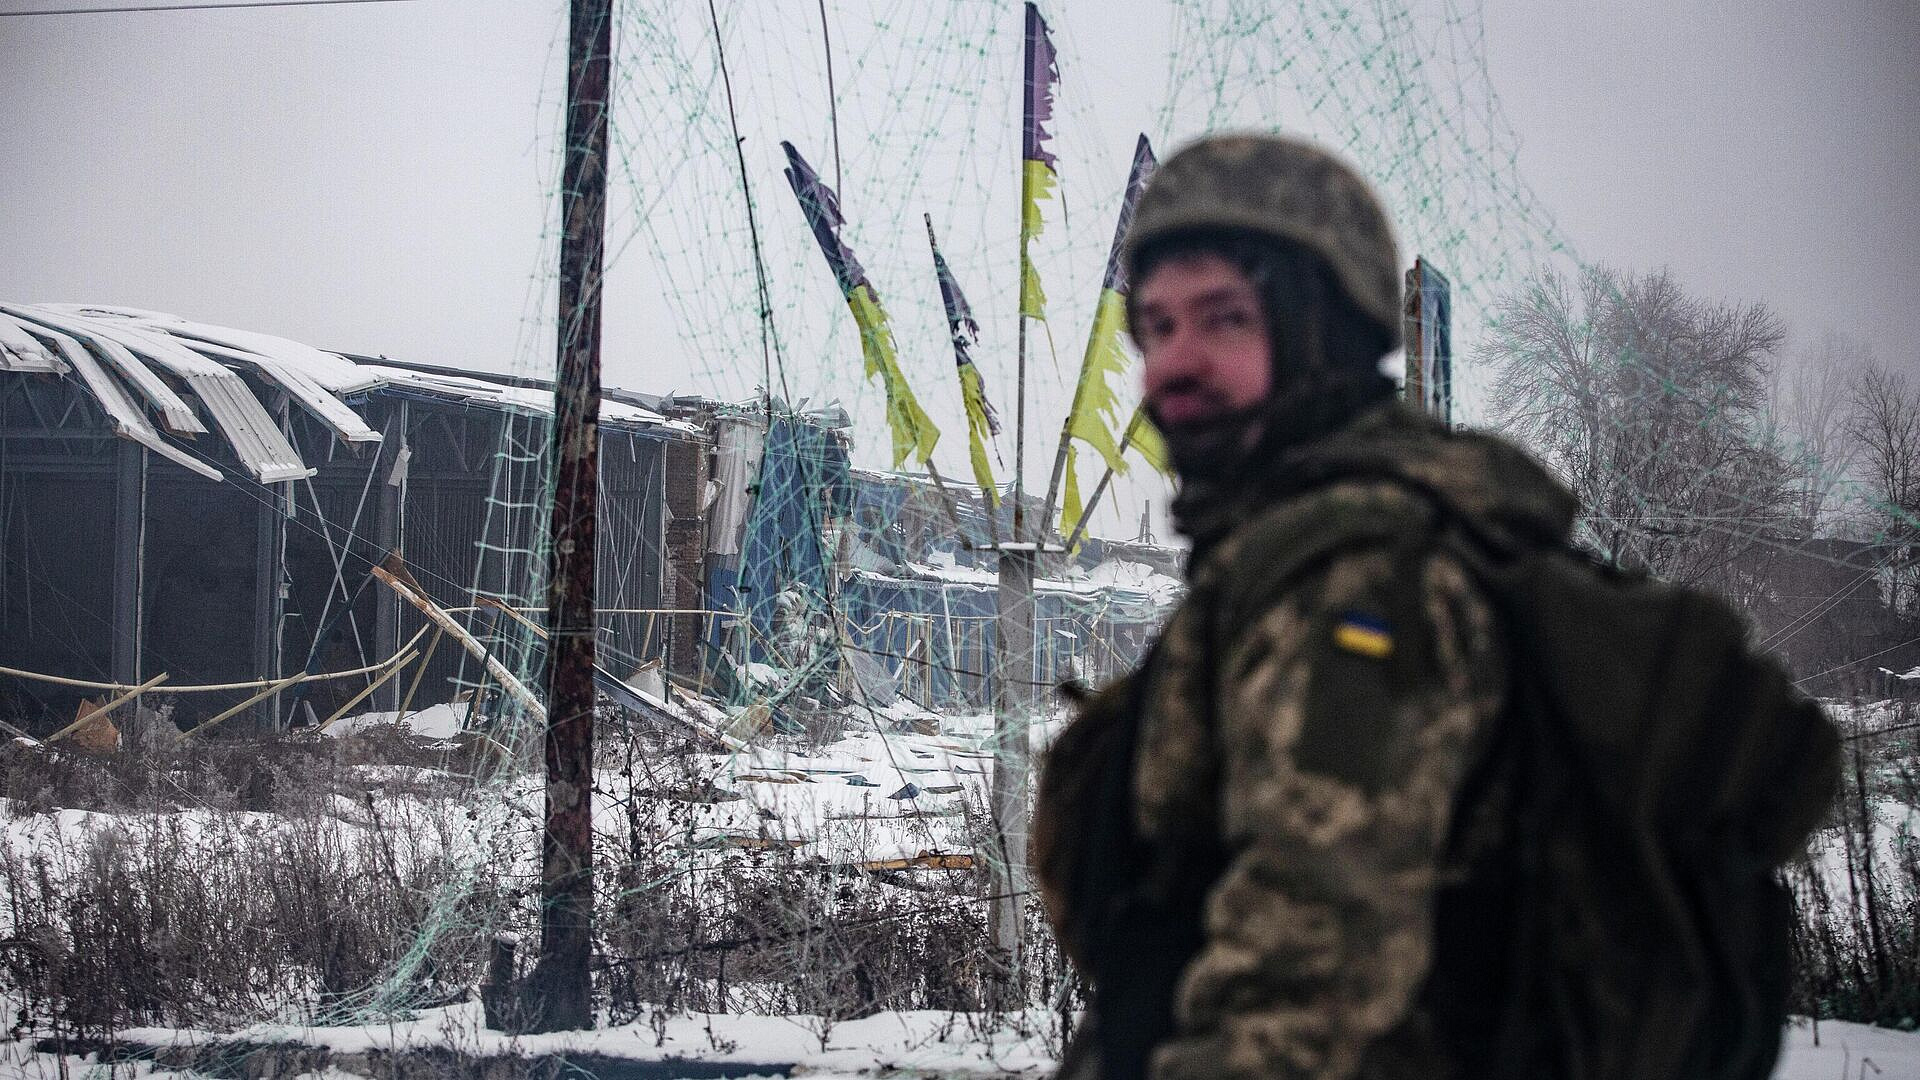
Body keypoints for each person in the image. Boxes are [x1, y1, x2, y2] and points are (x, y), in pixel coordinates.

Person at [1030, 133, 1837, 1080]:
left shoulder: (1357, 577)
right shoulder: (1304, 549)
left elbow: (1304, 979)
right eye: (1156, 328)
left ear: (1320, 330)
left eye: (1224, 319)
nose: (1175, 363)